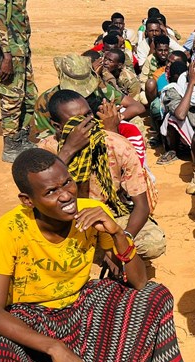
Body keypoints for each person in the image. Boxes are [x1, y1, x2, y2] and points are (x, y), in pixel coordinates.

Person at [0, 148, 183, 362]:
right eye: (51, 191)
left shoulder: (91, 212)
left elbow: (139, 282)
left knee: (154, 295)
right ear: (28, 200)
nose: (66, 195)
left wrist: (117, 233)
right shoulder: (11, 229)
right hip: (33, 319)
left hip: (82, 308)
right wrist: (55, 348)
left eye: (67, 183)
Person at [37, 90, 165, 263]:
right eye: (78, 120)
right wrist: (69, 150)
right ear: (58, 126)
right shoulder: (46, 151)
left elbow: (142, 206)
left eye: (88, 115)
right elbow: (40, 197)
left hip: (108, 216)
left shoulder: (116, 144)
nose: (88, 124)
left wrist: (122, 241)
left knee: (153, 242)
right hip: (65, 220)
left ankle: (105, 253)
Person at [33, 54, 145, 141]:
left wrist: (114, 119)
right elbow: (43, 141)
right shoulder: (46, 101)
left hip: (101, 134)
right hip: (67, 146)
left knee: (136, 122)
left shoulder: (99, 88)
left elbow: (137, 107)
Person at [0, 0, 38, 162]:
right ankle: (10, 145)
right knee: (11, 98)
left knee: (29, 95)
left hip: (21, 49)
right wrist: (6, 56)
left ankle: (21, 137)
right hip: (9, 52)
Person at [159, 59, 195, 162]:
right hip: (190, 133)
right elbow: (180, 115)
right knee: (172, 117)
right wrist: (191, 84)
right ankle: (174, 151)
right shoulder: (176, 89)